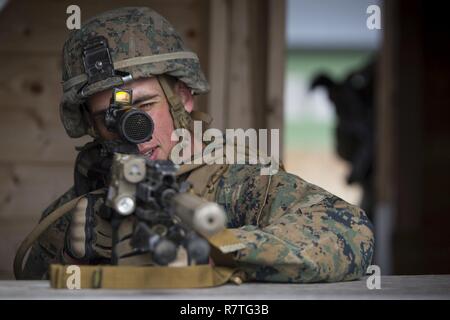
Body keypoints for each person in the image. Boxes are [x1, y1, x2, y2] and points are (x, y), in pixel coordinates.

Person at [20, 7, 374, 283]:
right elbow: (24, 273)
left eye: (142, 107)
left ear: (184, 97)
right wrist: (68, 253)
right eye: (107, 118)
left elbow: (348, 232)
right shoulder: (88, 197)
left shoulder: (236, 181)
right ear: (92, 124)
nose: (132, 131)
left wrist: (216, 250)